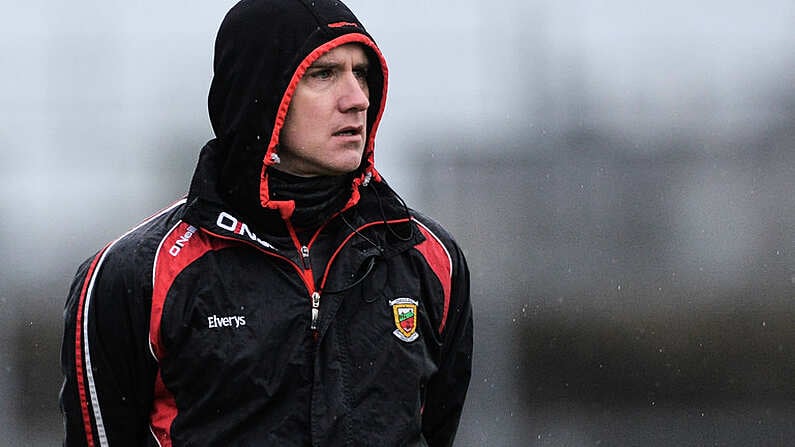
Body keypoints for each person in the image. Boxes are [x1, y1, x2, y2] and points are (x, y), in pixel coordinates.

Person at [59, 0, 472, 445]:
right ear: (263, 92)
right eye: (324, 74)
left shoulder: (428, 257)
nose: (357, 100)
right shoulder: (134, 275)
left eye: (362, 73)